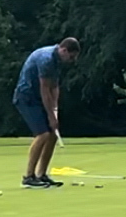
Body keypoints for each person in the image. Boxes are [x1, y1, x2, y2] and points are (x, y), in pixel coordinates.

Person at [13, 38, 80, 188]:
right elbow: (44, 89)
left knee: (53, 134)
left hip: (38, 98)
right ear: (64, 50)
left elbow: (54, 88)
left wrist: (55, 112)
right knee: (43, 134)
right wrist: (50, 116)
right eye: (71, 57)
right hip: (27, 97)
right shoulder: (46, 59)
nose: (72, 61)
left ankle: (41, 174)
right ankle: (28, 177)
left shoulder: (58, 61)